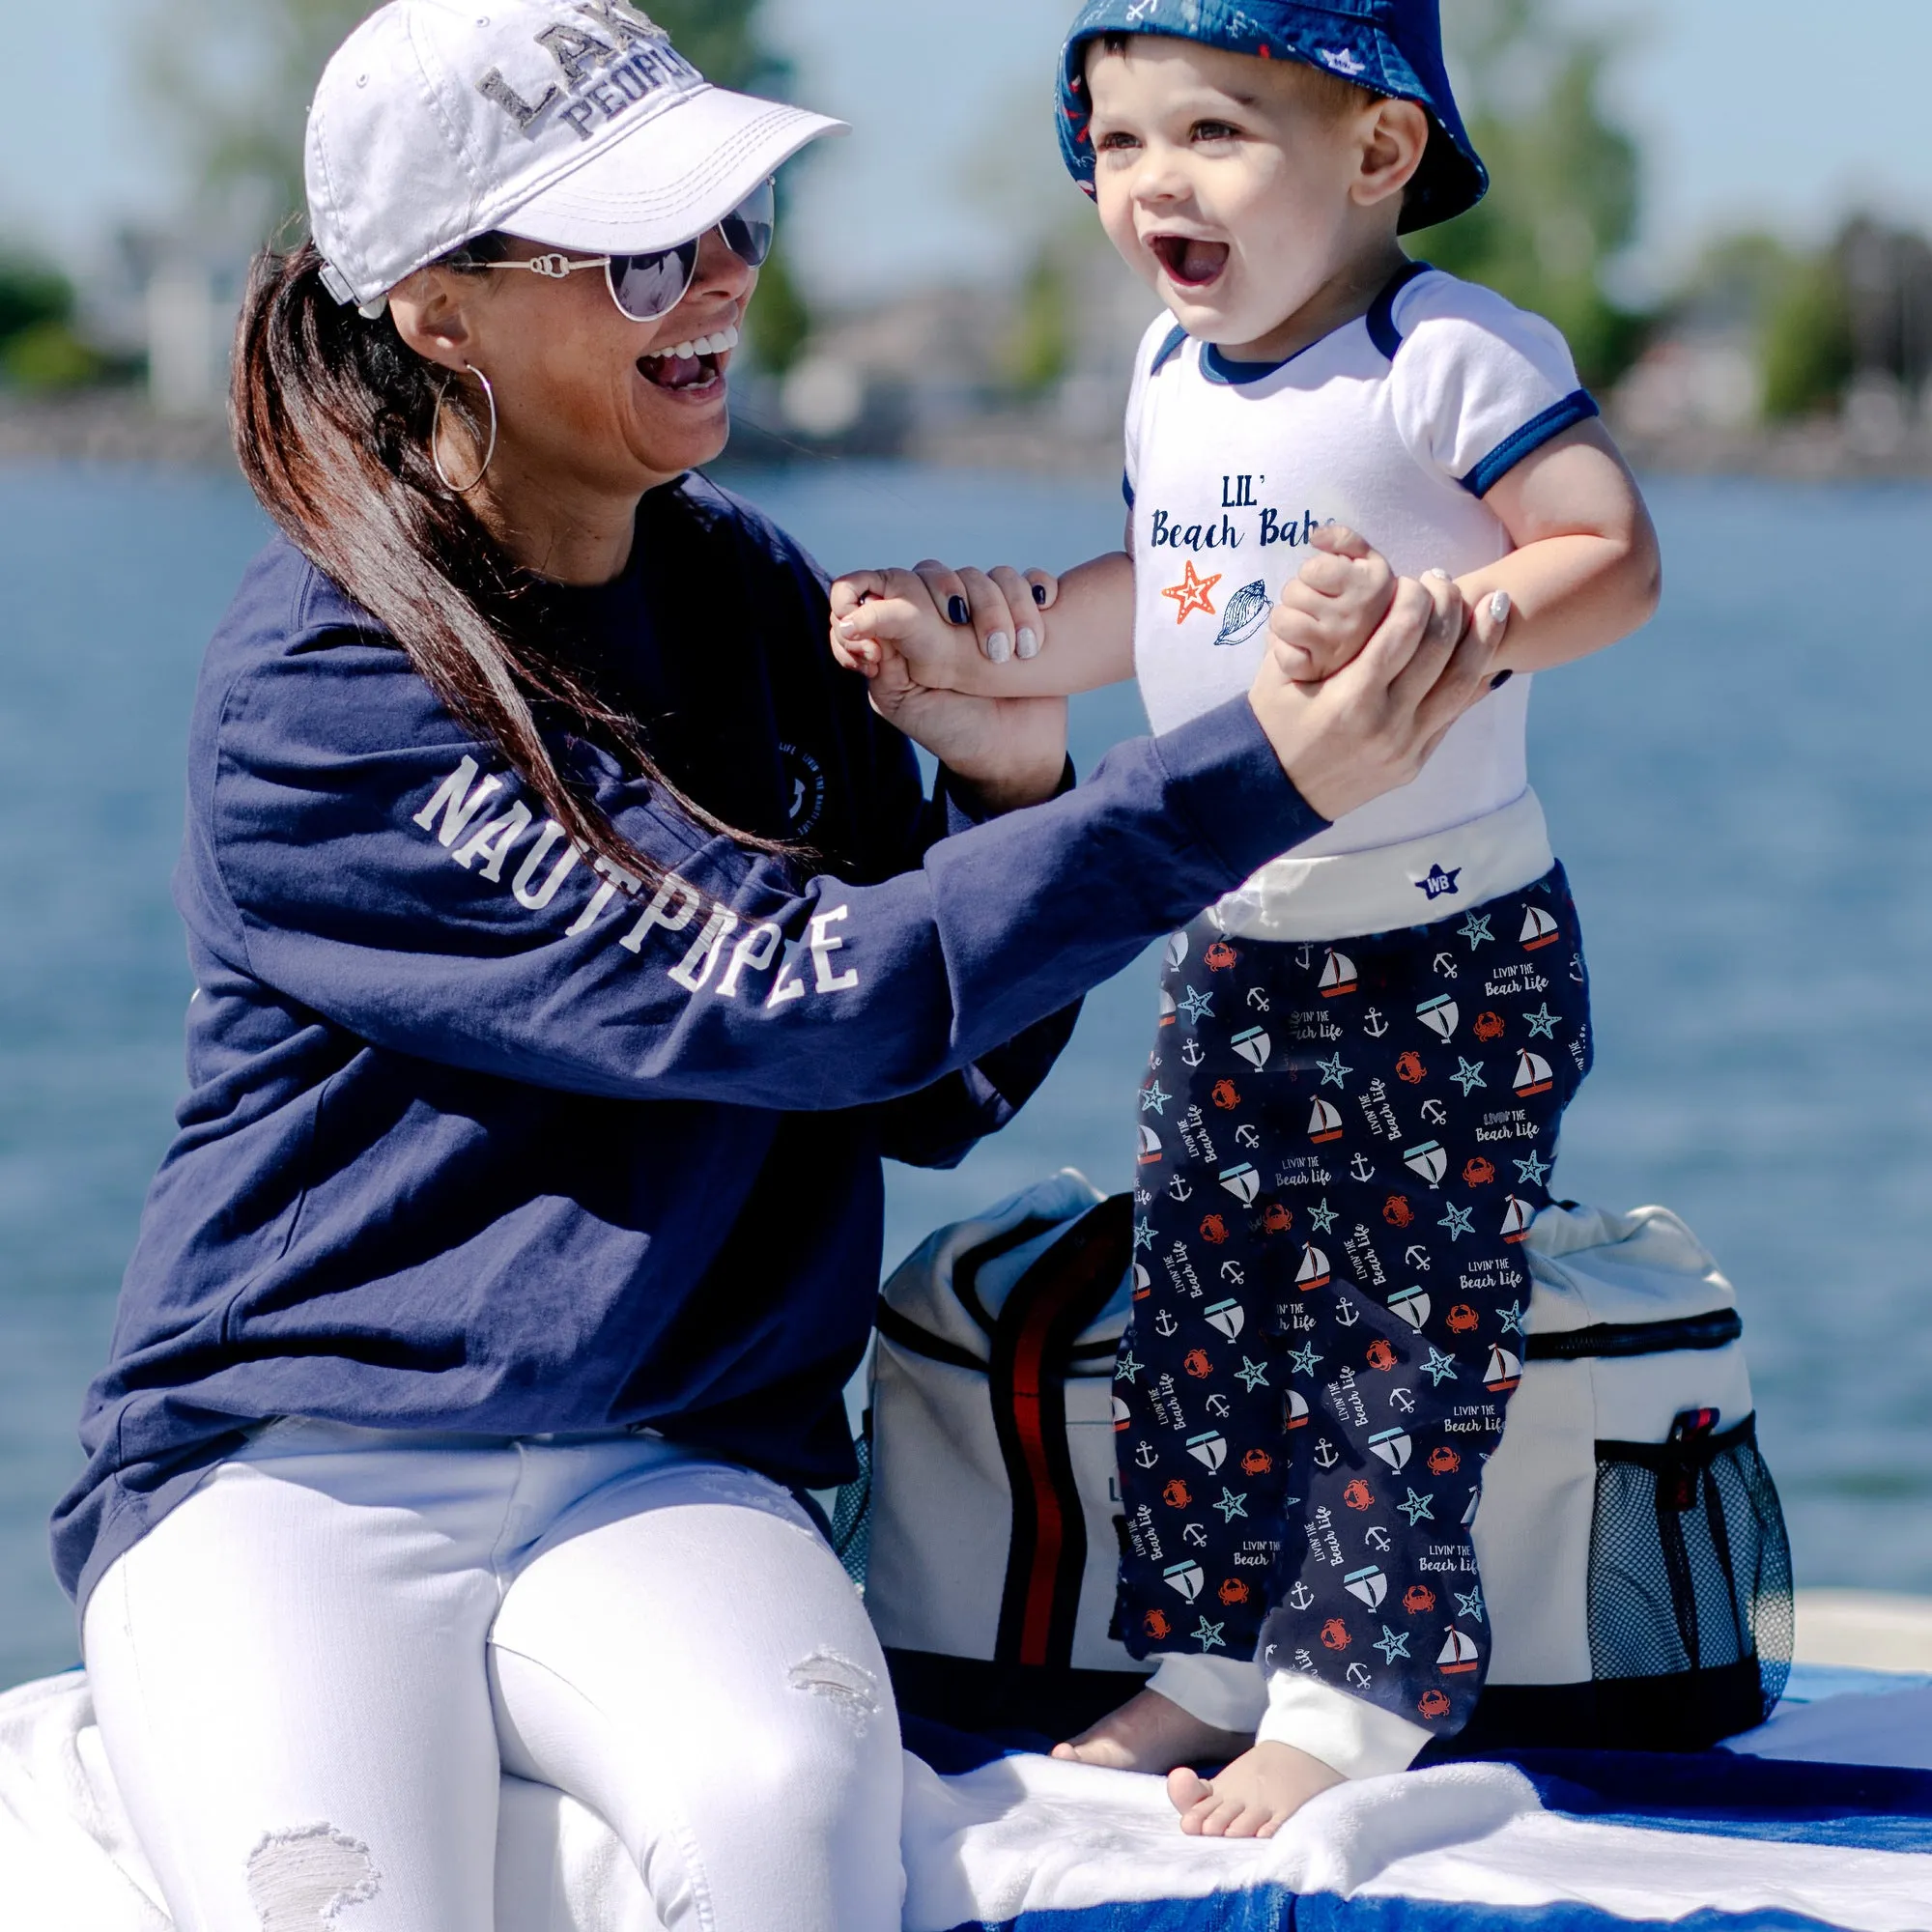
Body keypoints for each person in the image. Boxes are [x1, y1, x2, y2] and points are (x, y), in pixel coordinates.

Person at [51, 3, 1505, 1927]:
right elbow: (798, 999)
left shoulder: (739, 591)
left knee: (791, 1825)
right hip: (297, 1476)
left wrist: (998, 786)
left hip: (671, 1467)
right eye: (641, 244)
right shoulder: (329, 687)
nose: (722, 272)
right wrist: (1250, 778)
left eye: (736, 217)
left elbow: (930, 1083)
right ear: (435, 310)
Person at [828, 0, 1662, 1843]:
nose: (1148, 186)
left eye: (1209, 133)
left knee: (1400, 1323)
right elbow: (1172, 592)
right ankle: (1208, 1656)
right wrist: (999, 644)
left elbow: (1609, 554)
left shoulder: (1441, 351)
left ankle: (1356, 1692)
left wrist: (1447, 628)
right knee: (1210, 1308)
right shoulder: (1166, 370)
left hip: (1453, 951)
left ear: (1376, 155)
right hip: (1239, 941)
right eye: (1117, 144)